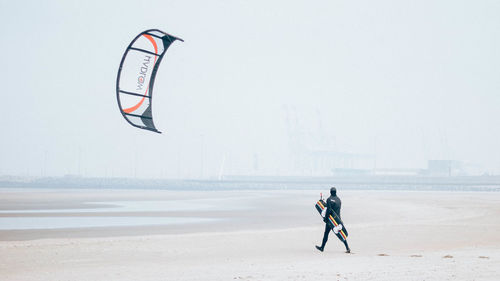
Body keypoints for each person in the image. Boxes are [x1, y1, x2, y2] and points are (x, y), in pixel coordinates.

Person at [316, 187, 351, 253]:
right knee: (341, 233)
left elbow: (328, 210)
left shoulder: (329, 199)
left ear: (330, 192)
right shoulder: (339, 200)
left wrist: (325, 219)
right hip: (338, 220)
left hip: (331, 220)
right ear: (336, 192)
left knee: (326, 233)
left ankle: (322, 247)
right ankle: (347, 247)